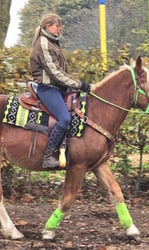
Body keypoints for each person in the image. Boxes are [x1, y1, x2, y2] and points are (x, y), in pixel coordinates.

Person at [29, 13, 91, 168]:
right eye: (57, 26)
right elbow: (54, 72)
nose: (60, 29)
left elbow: (60, 72)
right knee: (65, 119)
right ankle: (48, 156)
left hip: (57, 88)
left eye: (59, 26)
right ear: (47, 26)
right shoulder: (43, 43)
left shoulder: (52, 42)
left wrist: (73, 84)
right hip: (48, 89)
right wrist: (78, 84)